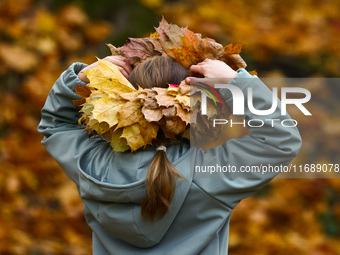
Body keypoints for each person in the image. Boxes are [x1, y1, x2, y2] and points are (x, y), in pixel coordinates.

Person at [38, 54, 302, 255]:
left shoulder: (93, 168)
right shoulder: (209, 174)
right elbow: (282, 139)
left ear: (122, 103)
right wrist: (236, 83)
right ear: (194, 109)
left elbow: (55, 125)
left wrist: (82, 77)